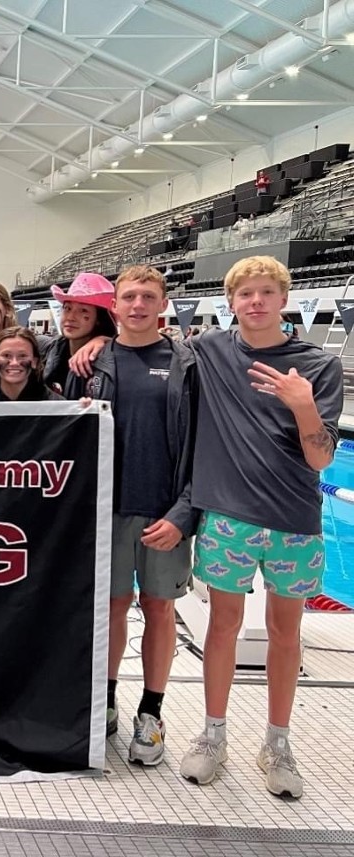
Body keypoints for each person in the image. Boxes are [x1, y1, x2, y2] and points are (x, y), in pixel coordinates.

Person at [177, 256, 341, 798]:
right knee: (222, 627)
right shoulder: (210, 352)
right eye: (245, 293)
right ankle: (213, 734)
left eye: (267, 292)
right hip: (229, 518)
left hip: (294, 520)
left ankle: (277, 741)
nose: (255, 302)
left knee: (284, 634)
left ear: (284, 298)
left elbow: (321, 460)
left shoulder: (316, 366)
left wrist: (303, 407)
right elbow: (137, 332)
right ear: (230, 302)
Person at [66, 265, 197, 766]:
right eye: (129, 297)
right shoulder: (93, 362)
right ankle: (106, 700)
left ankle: (152, 710)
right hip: (108, 509)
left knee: (161, 609)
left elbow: (200, 442)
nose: (138, 305)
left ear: (162, 304)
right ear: (114, 307)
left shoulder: (186, 363)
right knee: (113, 607)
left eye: (148, 297)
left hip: (164, 511)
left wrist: (184, 513)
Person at [44, 272, 118, 393]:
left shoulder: (111, 357)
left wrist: (107, 341)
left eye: (83, 310)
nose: (71, 317)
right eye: (67, 308)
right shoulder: (52, 349)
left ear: (99, 319)